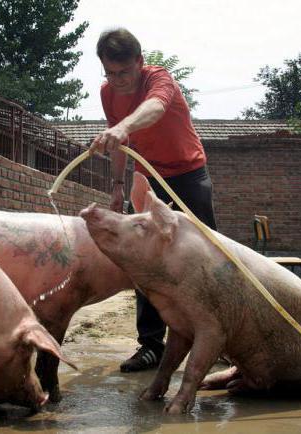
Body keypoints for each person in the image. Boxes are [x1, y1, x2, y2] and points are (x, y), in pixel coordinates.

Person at [90, 28, 218, 373]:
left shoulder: (159, 79)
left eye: (124, 73)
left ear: (139, 62)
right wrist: (117, 185)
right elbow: (118, 142)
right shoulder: (108, 94)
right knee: (142, 257)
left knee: (205, 254)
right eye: (110, 74)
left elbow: (154, 109)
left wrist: (122, 127)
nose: (117, 81)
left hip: (189, 174)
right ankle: (150, 345)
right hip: (149, 179)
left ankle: (219, 336)